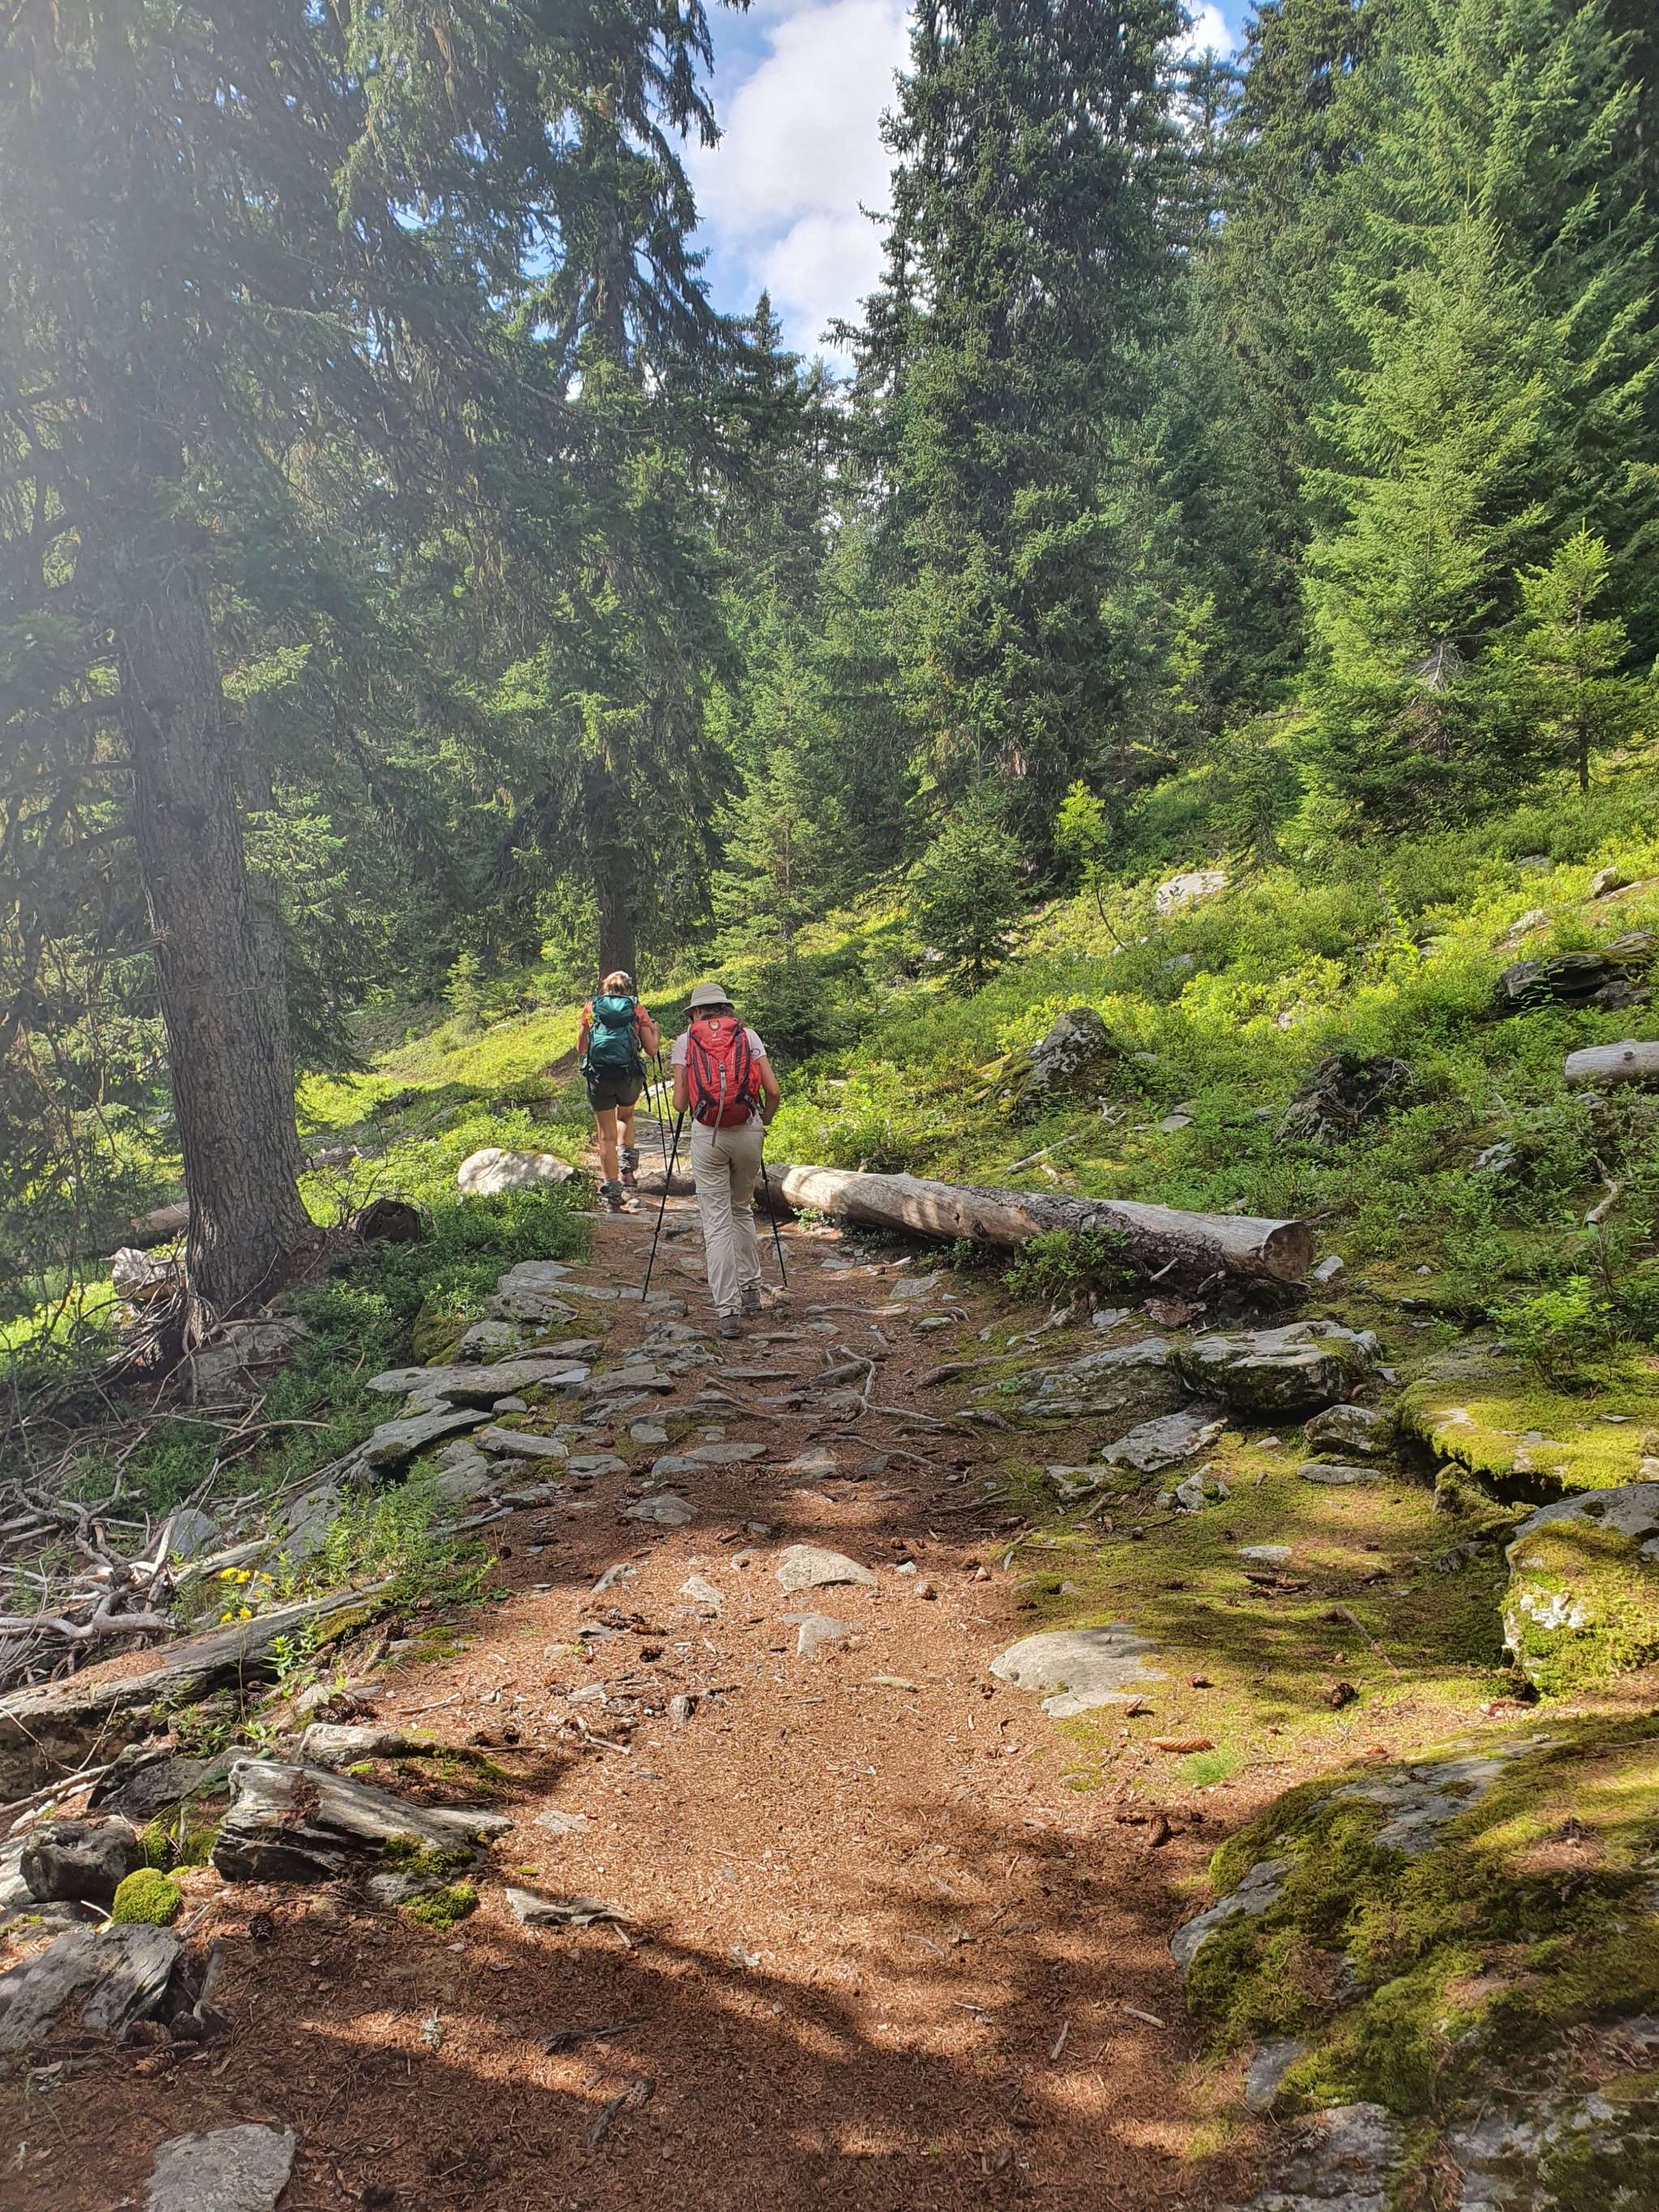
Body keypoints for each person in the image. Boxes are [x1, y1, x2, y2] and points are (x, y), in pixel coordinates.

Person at [671, 982, 782, 1337]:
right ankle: (751, 1290)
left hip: (709, 1136)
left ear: (695, 1012)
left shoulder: (685, 1041)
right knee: (741, 1209)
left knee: (717, 1222)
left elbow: (680, 1104)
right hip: (748, 1130)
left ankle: (728, 1311)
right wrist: (763, 1121)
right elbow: (773, 1091)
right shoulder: (748, 1036)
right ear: (726, 1008)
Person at [578, 970, 660, 1213]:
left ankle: (613, 1197)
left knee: (606, 1137)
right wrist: (655, 1031)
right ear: (629, 988)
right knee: (625, 1116)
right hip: (628, 1076)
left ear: (604, 987)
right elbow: (652, 1050)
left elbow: (581, 1047)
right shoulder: (637, 1009)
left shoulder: (591, 1008)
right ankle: (627, 1173)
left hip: (599, 1077)